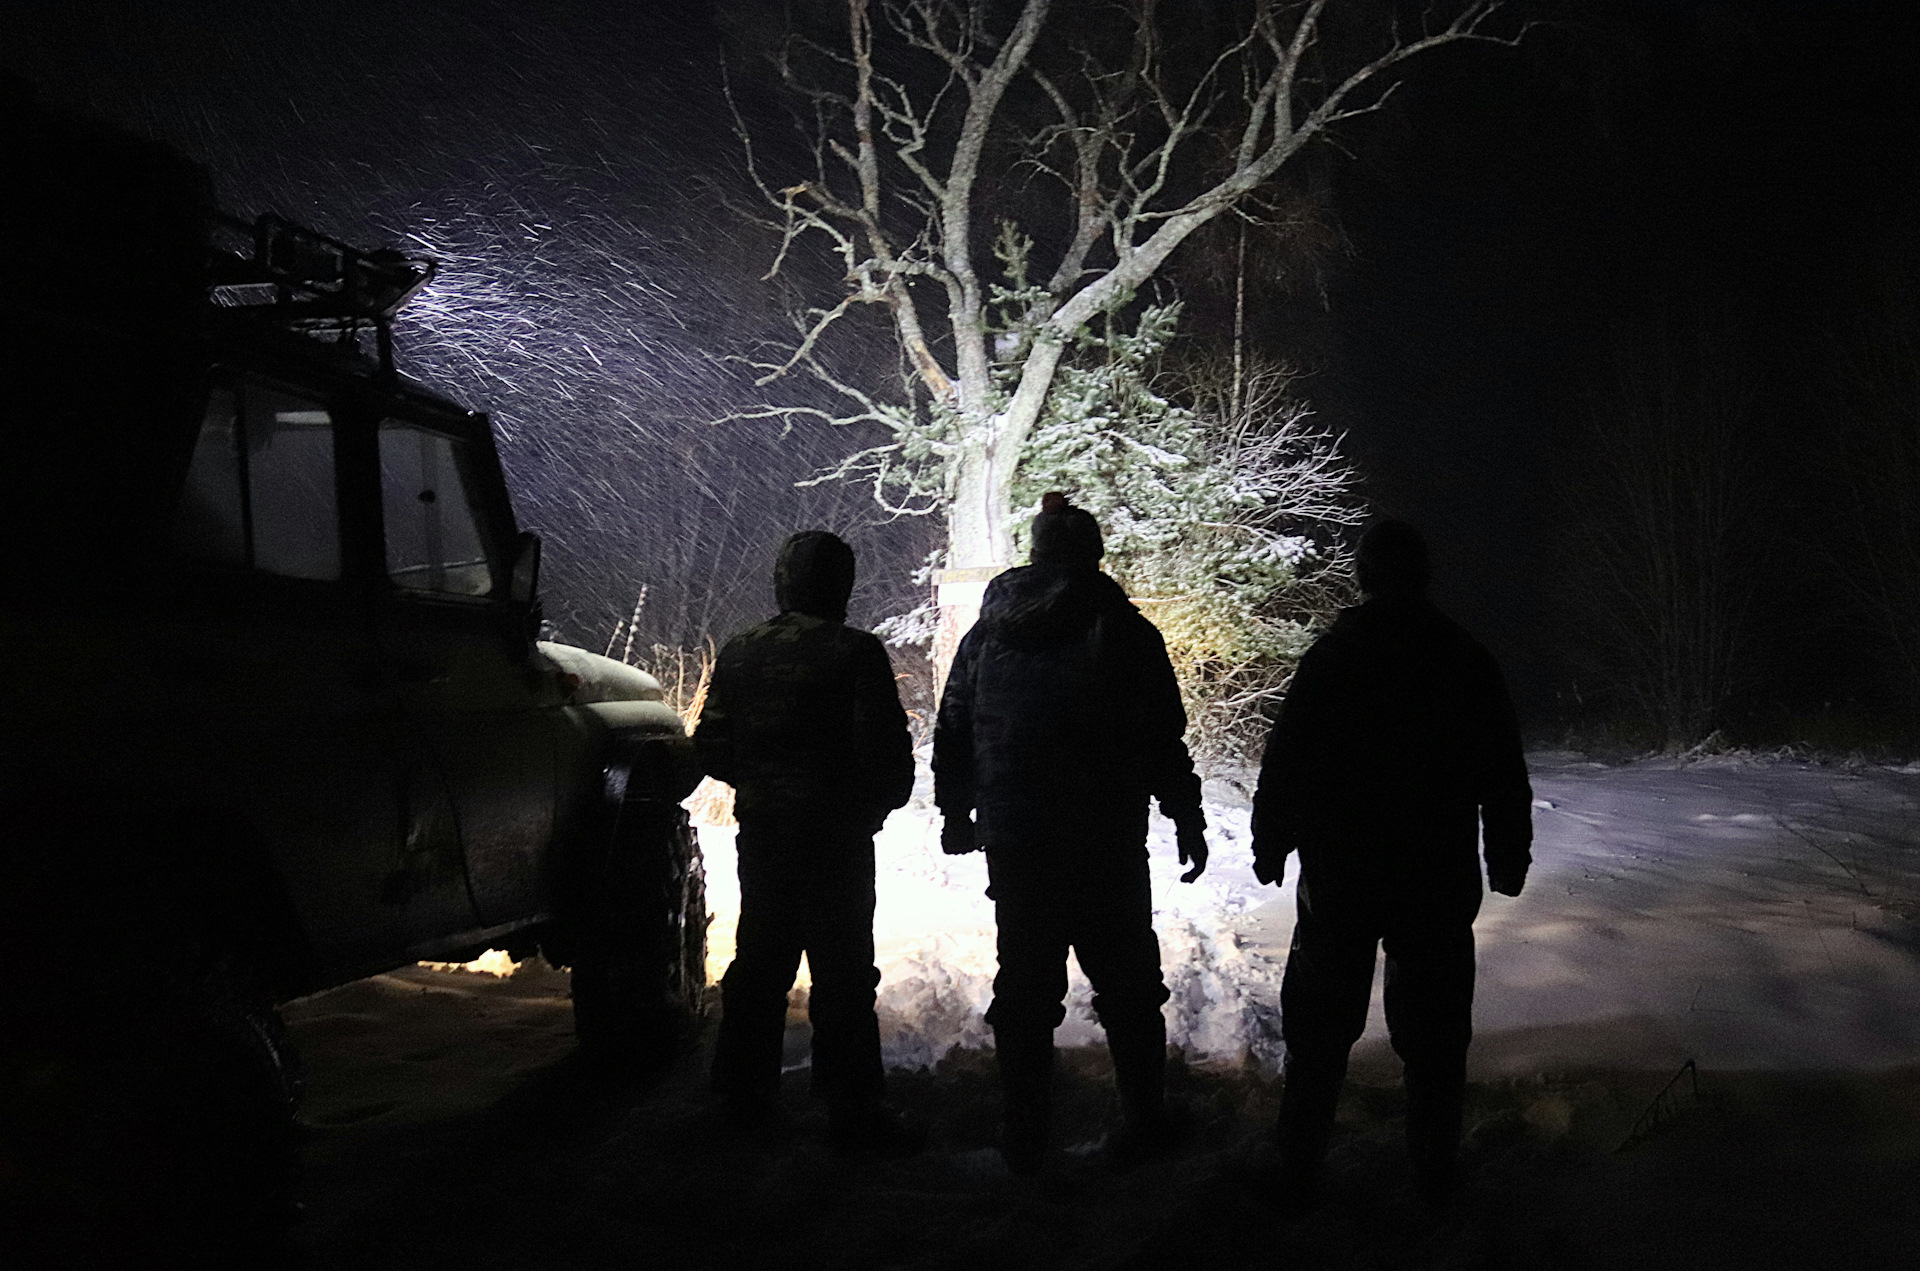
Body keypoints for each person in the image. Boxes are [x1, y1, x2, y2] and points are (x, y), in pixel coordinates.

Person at [1251, 518, 1532, 1211]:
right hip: (1432, 879)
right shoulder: (1462, 658)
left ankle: (1298, 1167)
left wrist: (1271, 838)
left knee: (1318, 1030)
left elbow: (1287, 759)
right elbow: (1501, 771)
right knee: (1435, 1037)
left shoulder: (1334, 657)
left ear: (1365, 575)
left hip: (1342, 877)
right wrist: (1507, 853)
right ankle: (1434, 1171)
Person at [933, 492, 1210, 1175]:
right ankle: (1144, 1121)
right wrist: (1185, 812)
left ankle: (1024, 1133)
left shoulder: (987, 634)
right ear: (1093, 555)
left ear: (1036, 553)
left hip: (1018, 836)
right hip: (1104, 836)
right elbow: (1160, 735)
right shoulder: (1123, 630)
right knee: (1128, 984)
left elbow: (954, 727)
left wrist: (957, 811)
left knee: (1025, 986)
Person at [694, 530, 922, 1152]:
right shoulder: (855, 653)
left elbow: (710, 746)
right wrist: (867, 805)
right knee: (844, 973)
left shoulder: (742, 652)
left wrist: (767, 781)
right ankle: (852, 1112)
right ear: (840, 584)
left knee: (760, 964)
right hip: (837, 840)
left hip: (766, 835)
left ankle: (742, 1099)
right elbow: (888, 756)